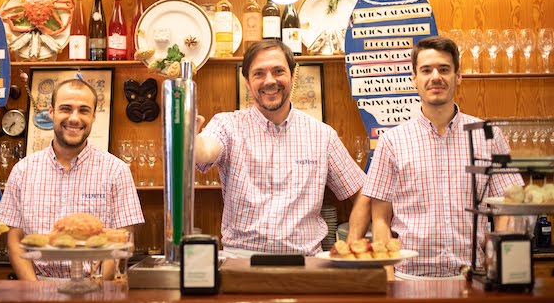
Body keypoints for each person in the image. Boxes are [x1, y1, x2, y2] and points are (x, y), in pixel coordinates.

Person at [352, 36, 523, 279]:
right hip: (408, 278)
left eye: (444, 69)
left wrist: (500, 262)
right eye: (426, 70)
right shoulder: (392, 141)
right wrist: (388, 276)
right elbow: (380, 218)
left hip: (474, 277)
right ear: (415, 78)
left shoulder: (489, 136)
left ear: (458, 76)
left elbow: (509, 205)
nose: (436, 77)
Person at [195, 39, 368, 256]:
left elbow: (362, 192)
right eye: (259, 73)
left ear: (293, 76)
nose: (270, 81)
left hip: (304, 265)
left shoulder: (322, 135)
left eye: (278, 71)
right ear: (247, 82)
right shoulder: (227, 125)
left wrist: (351, 243)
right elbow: (205, 150)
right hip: (241, 261)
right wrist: (190, 138)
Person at [0, 79, 145, 280]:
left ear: (93, 116)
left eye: (83, 110)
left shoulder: (116, 170)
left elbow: (123, 239)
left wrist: (99, 286)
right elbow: (14, 239)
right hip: (38, 286)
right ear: (51, 112)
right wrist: (34, 290)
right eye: (66, 109)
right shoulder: (23, 171)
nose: (74, 118)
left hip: (97, 288)